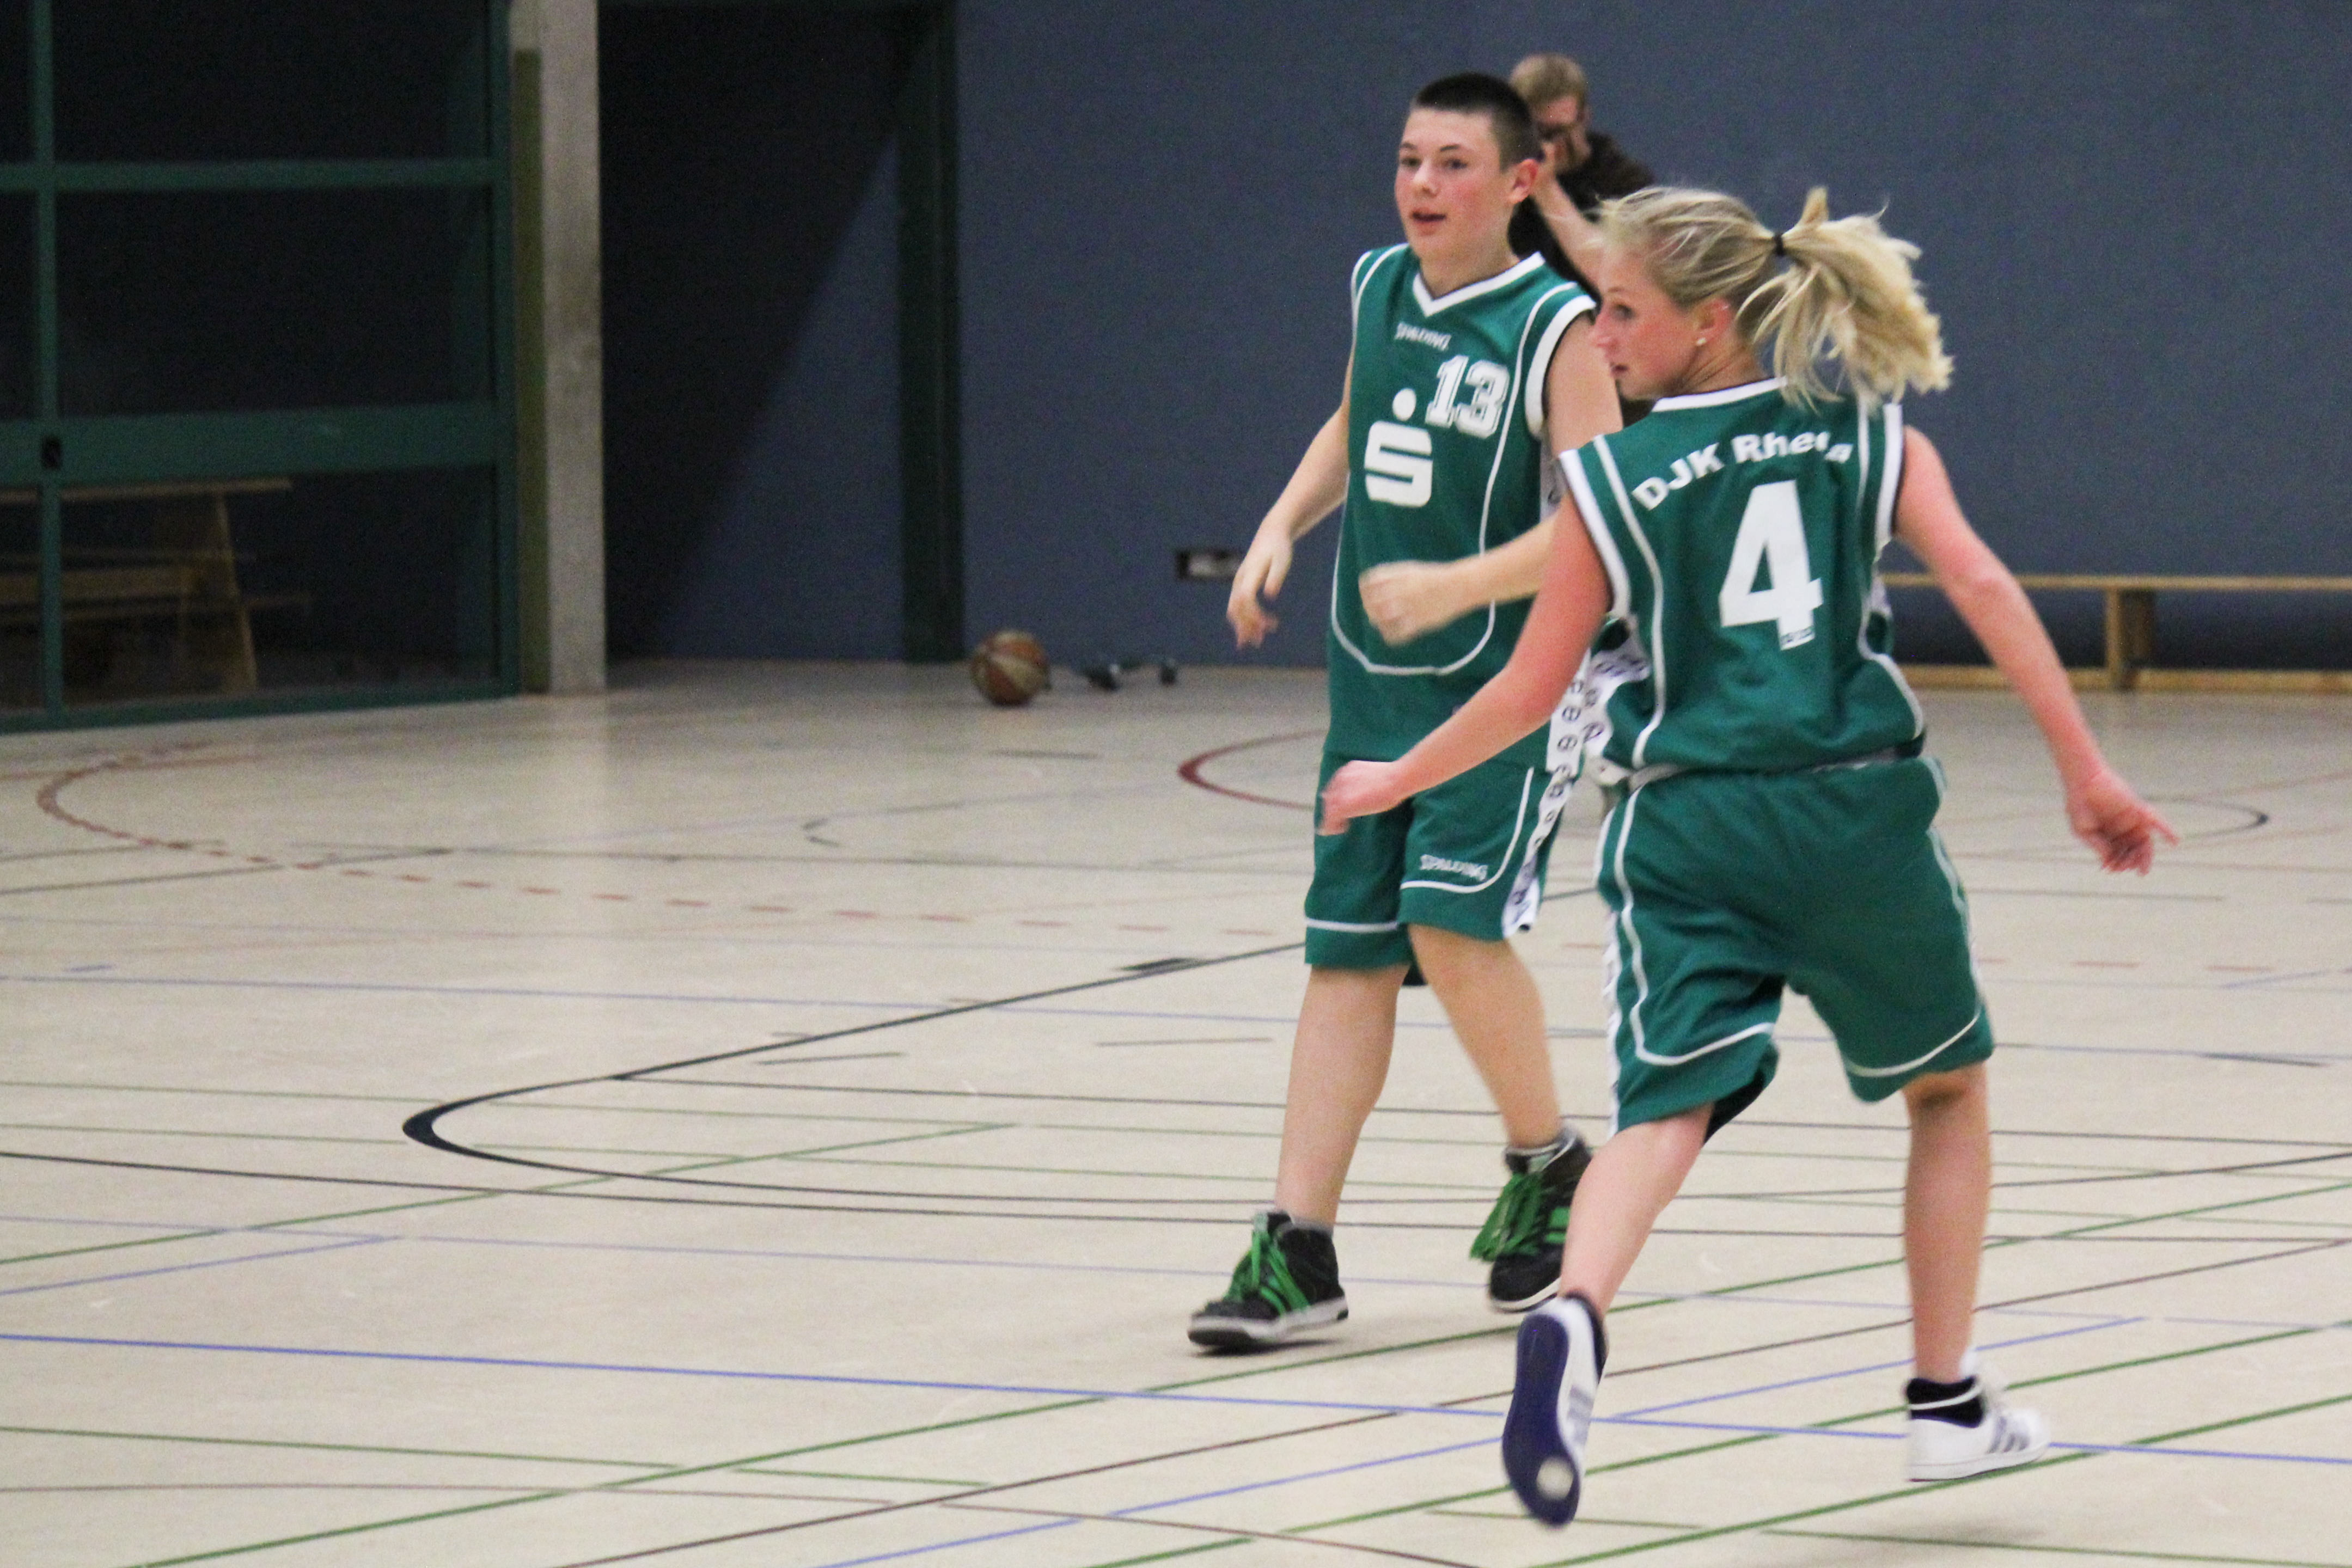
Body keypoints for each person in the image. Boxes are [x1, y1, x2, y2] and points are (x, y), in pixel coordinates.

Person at [1319, 185, 2177, 1517]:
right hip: (1851, 815)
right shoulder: (1867, 435)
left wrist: (1396, 776)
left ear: (1709, 321)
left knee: (1664, 1111)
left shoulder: (1607, 481)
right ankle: (1945, 1402)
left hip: (1686, 827)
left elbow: (1529, 691)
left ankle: (1575, 1314)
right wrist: (2086, 767)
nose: (1601, 336)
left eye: (1622, 312)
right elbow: (1982, 586)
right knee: (1945, 1092)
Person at [1190, 72, 1623, 1348]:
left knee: (1447, 924)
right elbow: (1354, 417)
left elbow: (1603, 520)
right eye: (1407, 160)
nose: (1421, 186)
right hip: (1369, 688)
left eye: (1451, 164)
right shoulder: (1378, 286)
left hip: (1505, 688)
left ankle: (1548, 1163)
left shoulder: (1556, 327)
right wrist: (1280, 522)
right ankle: (1297, 1245)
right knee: (1344, 952)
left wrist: (1458, 586)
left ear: (1520, 182)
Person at [1508, 53, 1653, 299]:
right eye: (1537, 132)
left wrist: (1546, 189)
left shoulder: (1625, 181)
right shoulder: (1505, 177)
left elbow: (1615, 276)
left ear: (1584, 117)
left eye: (1558, 132)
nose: (1548, 145)